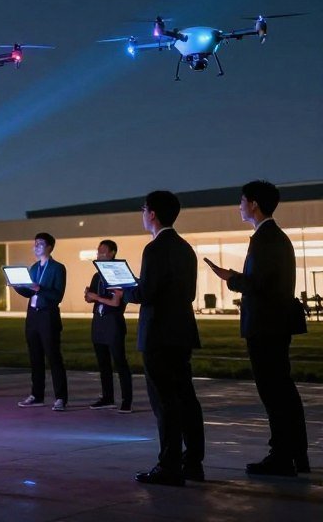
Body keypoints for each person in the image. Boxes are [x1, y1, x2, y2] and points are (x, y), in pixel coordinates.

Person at [208, 180, 309, 476]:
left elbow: (259, 285)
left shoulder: (265, 238)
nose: (239, 206)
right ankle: (294, 453)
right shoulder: (276, 237)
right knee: (283, 390)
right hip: (275, 324)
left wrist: (230, 278)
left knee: (274, 392)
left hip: (265, 327)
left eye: (241, 201)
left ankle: (281, 456)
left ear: (253, 204)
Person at [124, 190, 204, 486]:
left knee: (164, 402)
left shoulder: (154, 249)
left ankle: (168, 466)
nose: (143, 214)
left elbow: (147, 293)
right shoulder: (185, 248)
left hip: (158, 333)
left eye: (144, 209)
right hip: (182, 331)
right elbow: (188, 293)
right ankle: (193, 461)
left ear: (153, 213)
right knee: (185, 397)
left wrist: (126, 291)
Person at [14, 232, 68, 411]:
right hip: (33, 315)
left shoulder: (58, 268)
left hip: (48, 315)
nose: (36, 246)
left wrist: (39, 288)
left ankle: (60, 397)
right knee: (35, 357)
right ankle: (37, 395)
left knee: (53, 357)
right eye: (35, 243)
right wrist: (18, 287)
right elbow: (30, 293)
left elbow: (57, 295)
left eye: (40, 244)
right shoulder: (34, 267)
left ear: (50, 247)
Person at [84, 239, 132, 413]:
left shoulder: (118, 273)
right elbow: (93, 297)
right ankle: (107, 397)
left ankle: (127, 400)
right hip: (99, 320)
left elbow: (115, 302)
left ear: (112, 253)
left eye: (103, 251)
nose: (99, 254)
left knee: (120, 362)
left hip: (113, 321)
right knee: (102, 362)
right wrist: (89, 296)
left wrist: (95, 297)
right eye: (98, 251)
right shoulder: (97, 275)